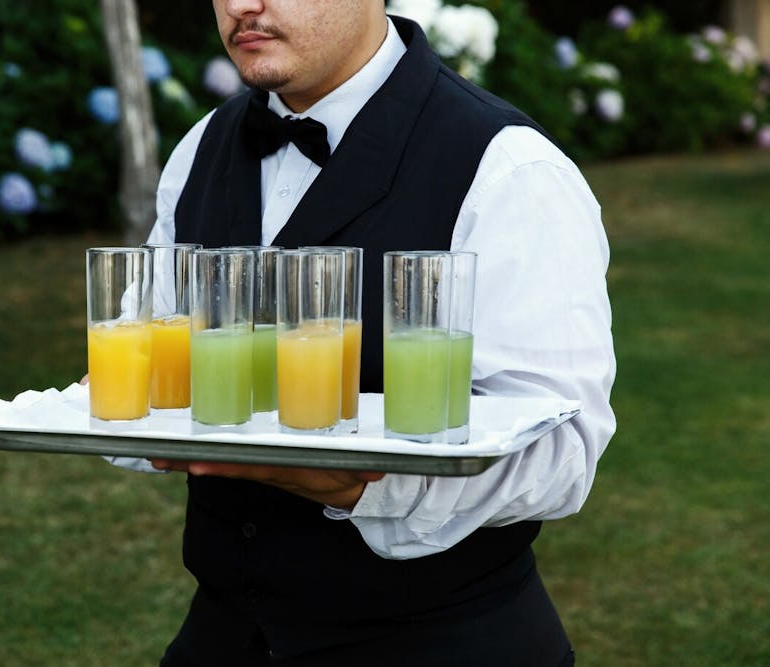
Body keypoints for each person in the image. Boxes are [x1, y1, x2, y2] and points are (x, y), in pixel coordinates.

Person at [116, 1, 616, 664]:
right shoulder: (199, 148)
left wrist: (359, 482)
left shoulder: (510, 169)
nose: (241, 5)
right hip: (224, 634)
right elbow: (139, 348)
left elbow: (564, 454)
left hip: (441, 641)